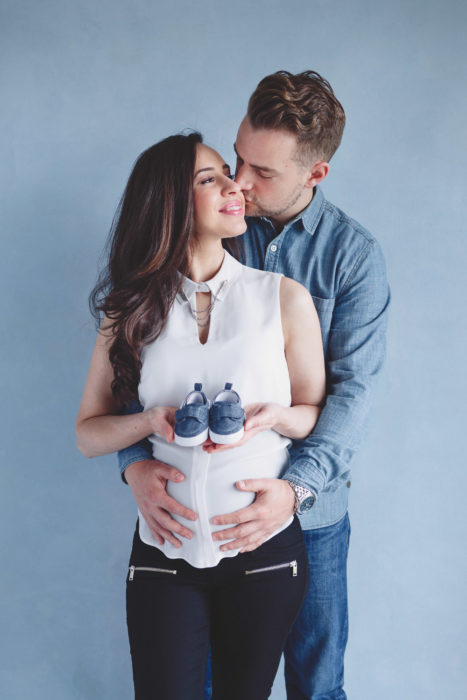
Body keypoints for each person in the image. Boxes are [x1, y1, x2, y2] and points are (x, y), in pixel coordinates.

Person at [117, 71, 390, 700]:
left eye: (261, 171)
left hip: (312, 516)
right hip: (200, 521)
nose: (238, 181)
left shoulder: (352, 258)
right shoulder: (207, 223)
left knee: (317, 686)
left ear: (315, 174)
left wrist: (295, 493)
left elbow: (353, 395)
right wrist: (132, 464)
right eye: (236, 158)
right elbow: (139, 371)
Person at [76, 131, 327, 699]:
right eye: (210, 179)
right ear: (169, 202)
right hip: (165, 552)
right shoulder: (129, 311)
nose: (235, 187)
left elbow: (313, 413)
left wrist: (275, 418)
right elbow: (88, 434)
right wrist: (148, 422)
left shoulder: (284, 297)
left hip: (264, 553)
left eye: (228, 175)